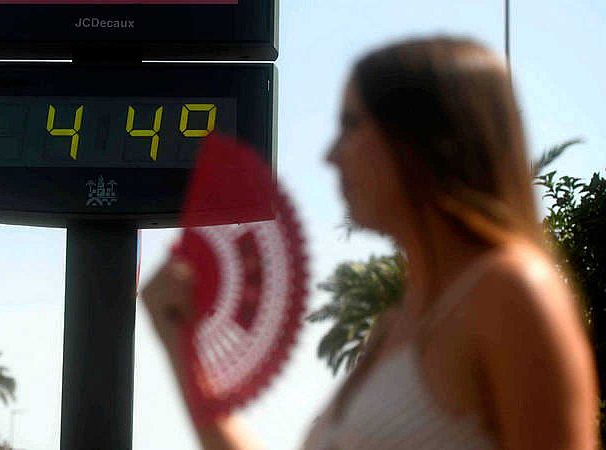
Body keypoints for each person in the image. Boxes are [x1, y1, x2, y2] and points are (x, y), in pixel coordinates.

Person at [140, 36, 598, 450]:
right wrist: (184, 346)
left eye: (352, 125)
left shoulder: (511, 292)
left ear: (421, 140)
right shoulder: (392, 326)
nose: (330, 155)